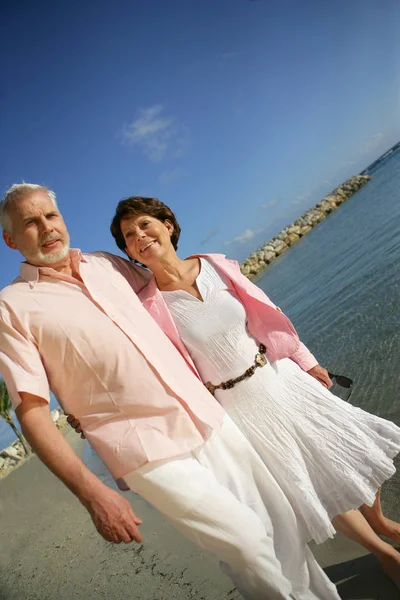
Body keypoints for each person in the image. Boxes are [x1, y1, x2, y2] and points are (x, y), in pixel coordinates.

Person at [0, 183, 341, 600]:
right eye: (30, 223)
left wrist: (230, 299)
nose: (46, 227)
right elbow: (32, 411)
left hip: (206, 414)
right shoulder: (12, 307)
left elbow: (169, 287)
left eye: (50, 216)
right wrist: (91, 493)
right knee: (246, 543)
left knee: (282, 528)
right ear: (11, 239)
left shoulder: (106, 264)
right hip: (145, 451)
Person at [97, 195, 400, 585]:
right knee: (308, 484)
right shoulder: (148, 308)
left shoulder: (216, 266)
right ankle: (383, 552)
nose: (139, 236)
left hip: (279, 376)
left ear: (167, 225)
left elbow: (266, 313)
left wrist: (306, 362)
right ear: (127, 251)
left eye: (144, 225)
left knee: (349, 447)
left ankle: (381, 522)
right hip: (239, 408)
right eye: (128, 235)